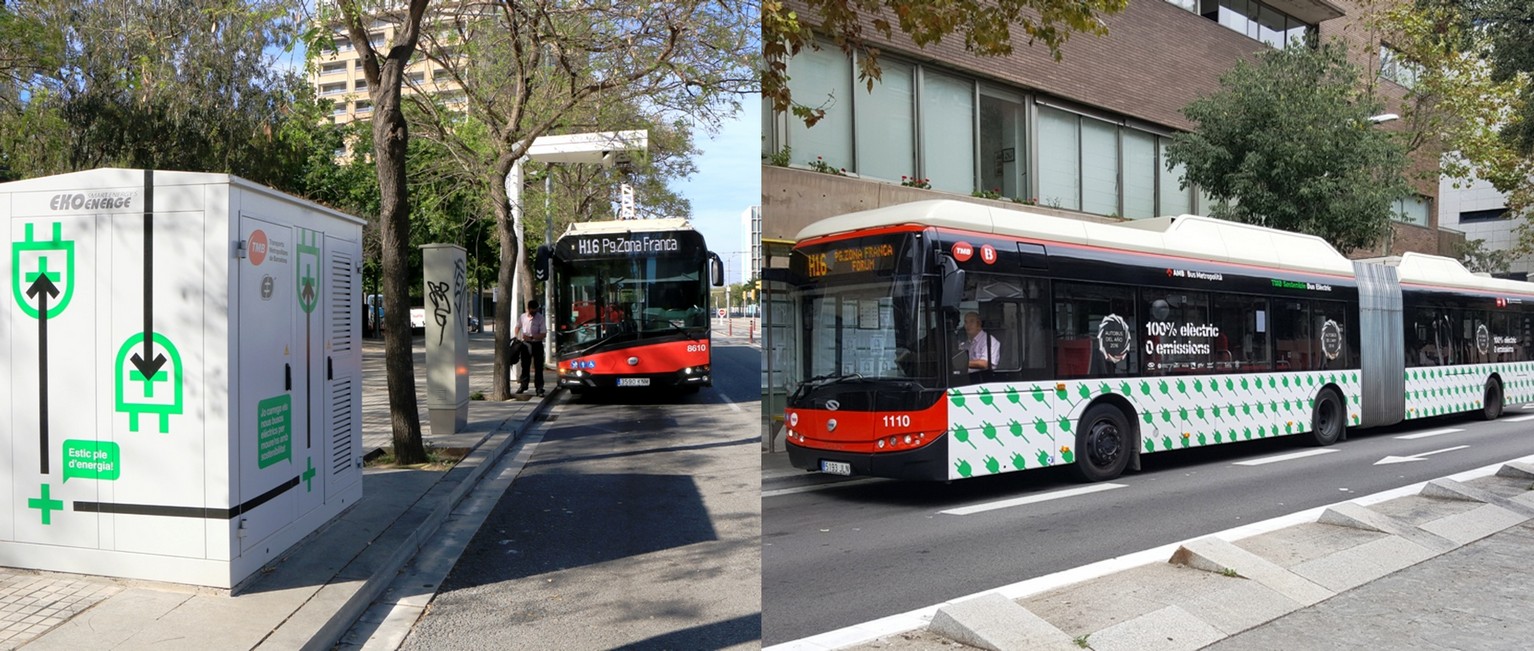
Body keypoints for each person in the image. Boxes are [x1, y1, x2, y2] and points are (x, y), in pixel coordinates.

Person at [513, 299, 547, 395]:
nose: (534, 312)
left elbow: (543, 334)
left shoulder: (540, 318)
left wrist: (532, 337)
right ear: (528, 309)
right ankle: (523, 385)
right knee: (525, 365)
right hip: (526, 344)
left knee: (538, 366)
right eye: (532, 310)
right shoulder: (523, 317)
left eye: (535, 310)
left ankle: (539, 388)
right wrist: (517, 337)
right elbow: (517, 327)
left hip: (537, 344)